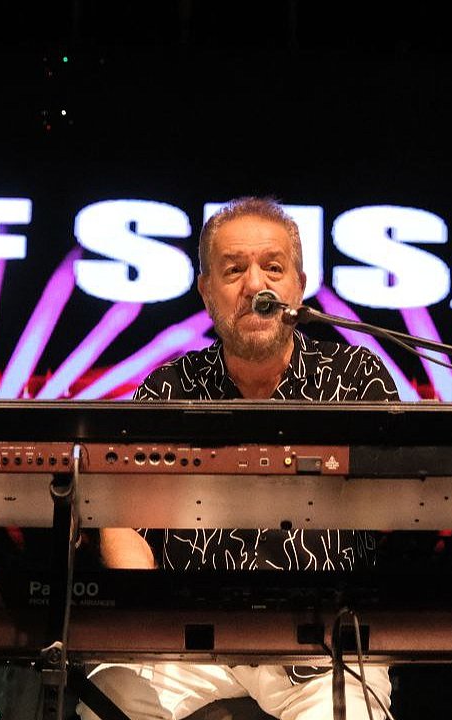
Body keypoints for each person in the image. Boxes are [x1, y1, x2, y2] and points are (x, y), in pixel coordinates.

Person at [80, 197, 398, 720]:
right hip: (185, 639)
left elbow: (401, 507)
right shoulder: (169, 389)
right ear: (207, 292)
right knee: (103, 703)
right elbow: (120, 518)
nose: (255, 285)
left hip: (324, 643)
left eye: (273, 268)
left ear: (298, 287)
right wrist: (151, 612)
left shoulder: (356, 380)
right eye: (233, 271)